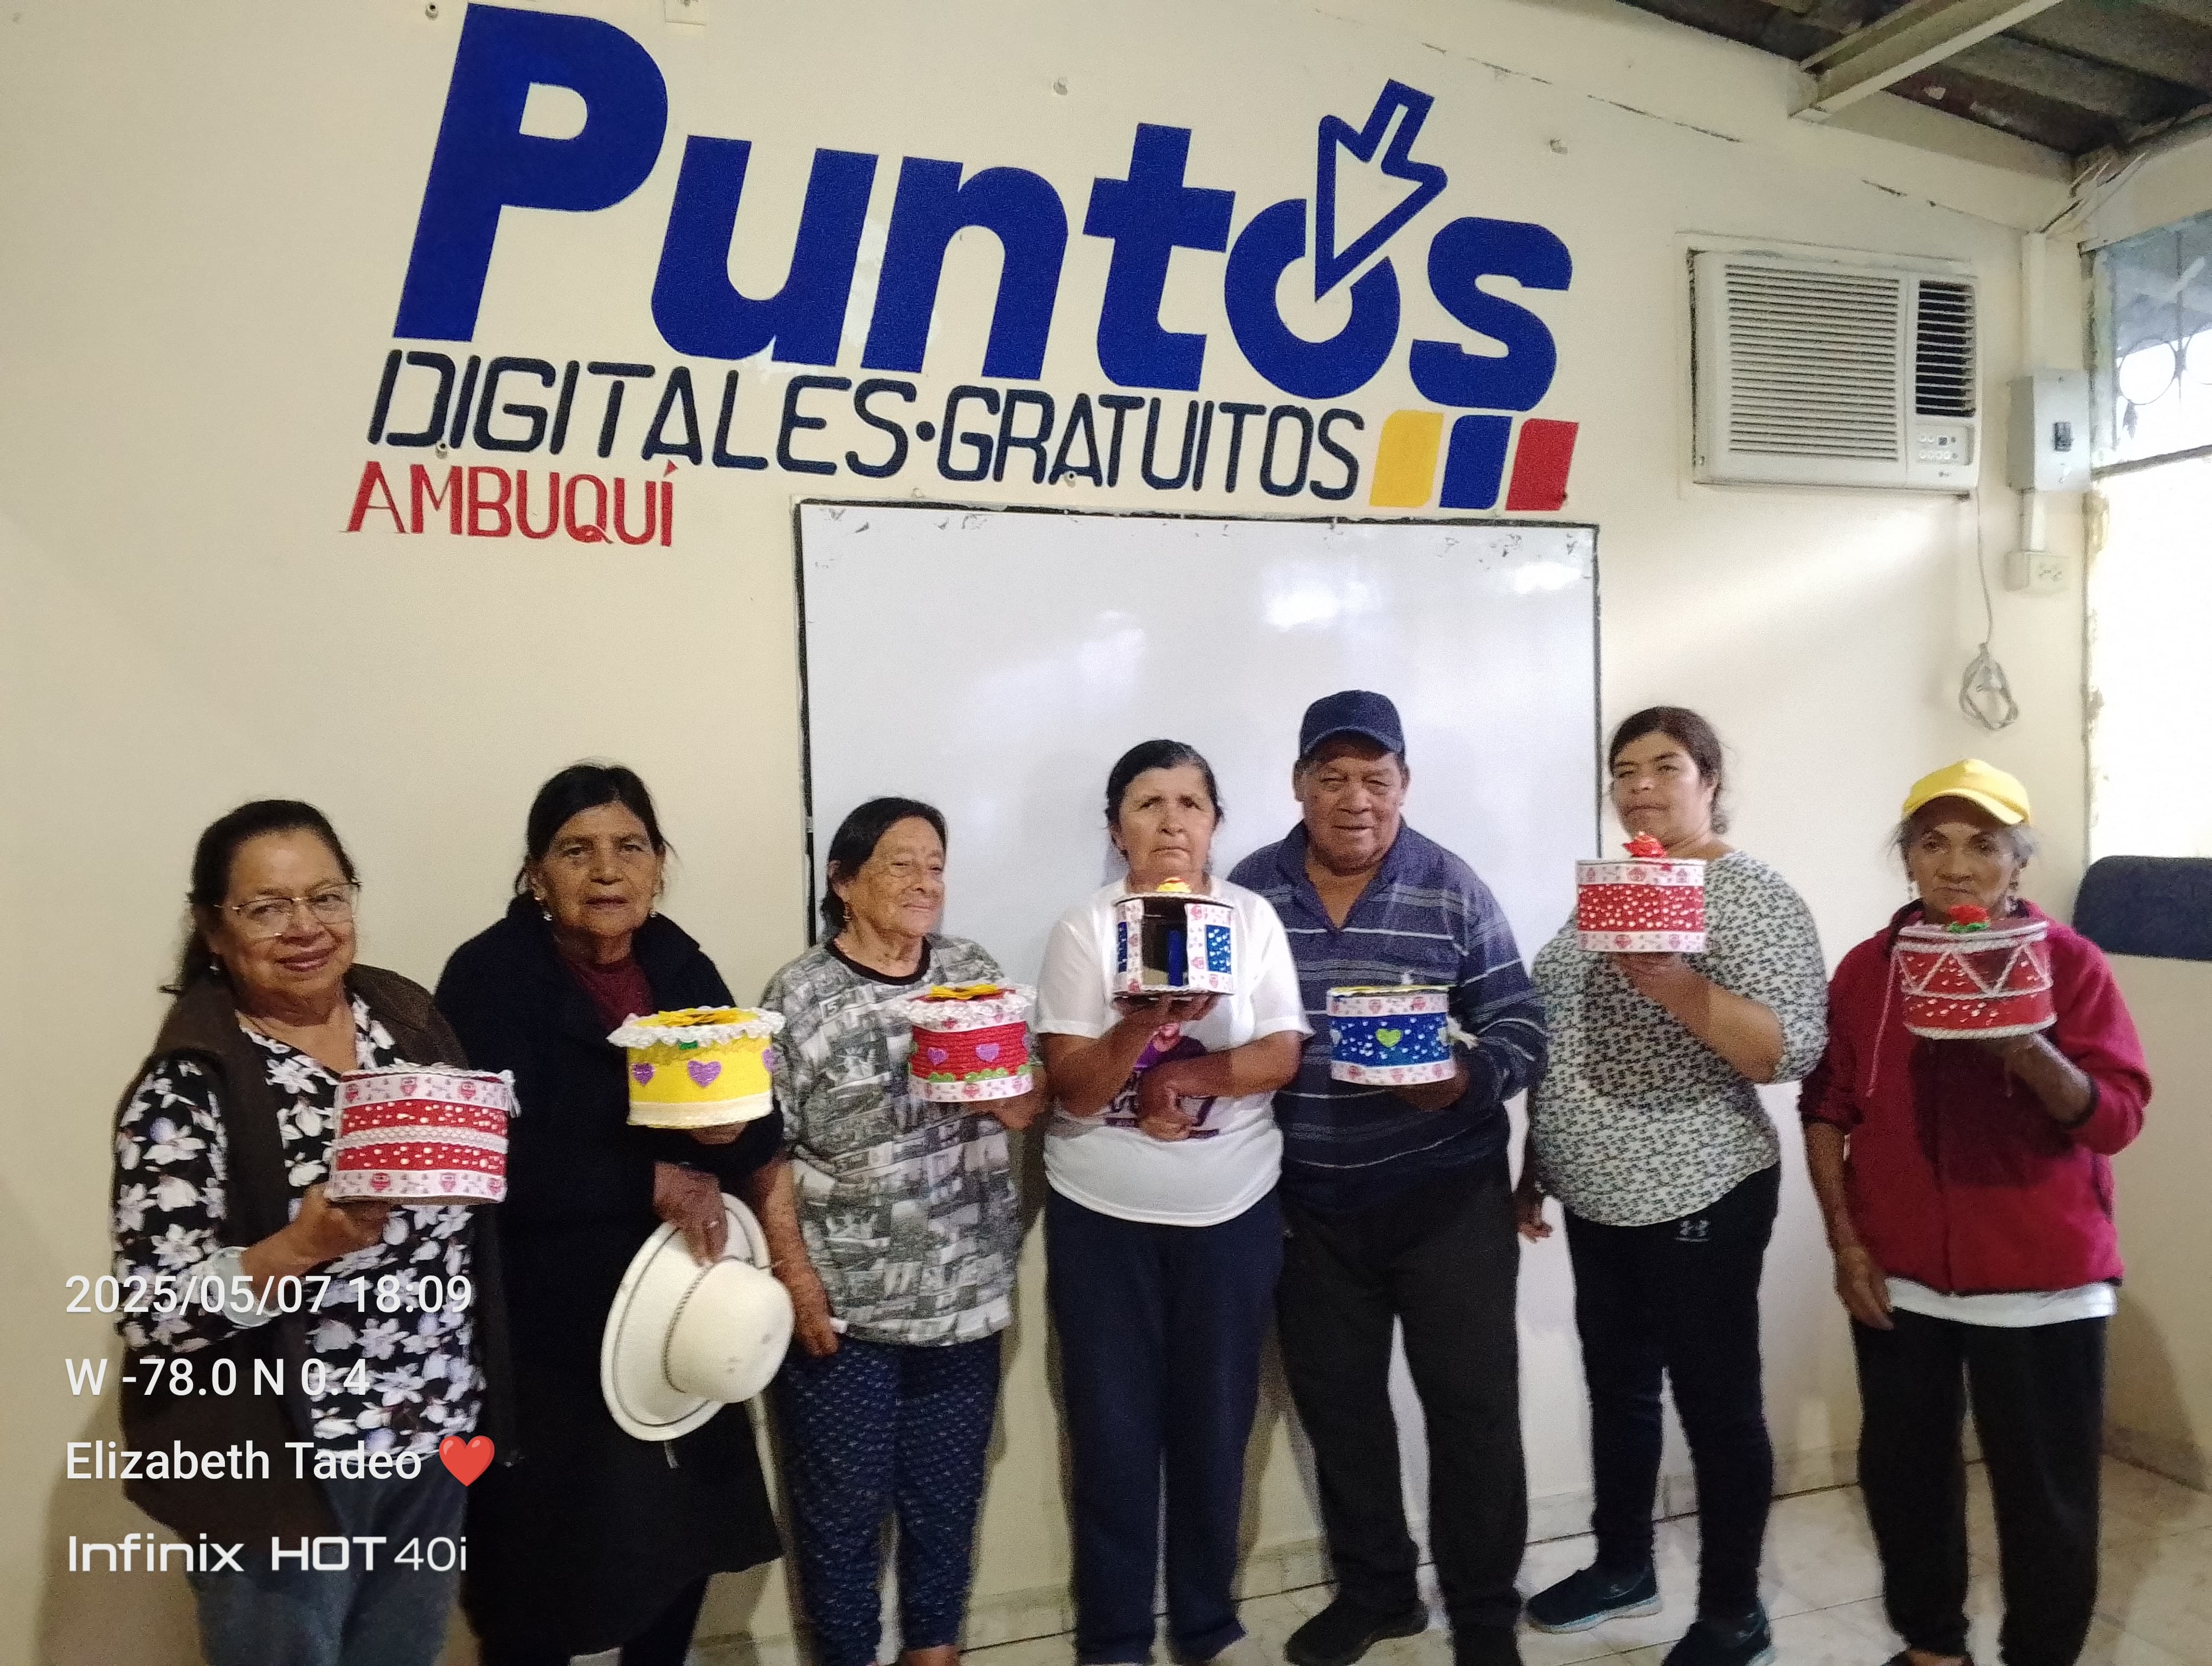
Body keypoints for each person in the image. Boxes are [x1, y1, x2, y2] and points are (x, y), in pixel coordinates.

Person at [110, 799, 511, 1666]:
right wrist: (299, 1249)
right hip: (286, 1460)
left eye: (327, 897)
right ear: (212, 930)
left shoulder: (402, 1019)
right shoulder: (189, 1083)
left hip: (434, 1429)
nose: (306, 927)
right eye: (266, 907)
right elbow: (153, 1309)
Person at [1799, 760, 2151, 1666]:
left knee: (2046, 1505)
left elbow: (2116, 1120)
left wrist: (2023, 1041)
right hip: (1902, 1280)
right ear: (1908, 859)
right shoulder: (1868, 970)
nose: (1956, 866)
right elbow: (1827, 1108)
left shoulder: (2069, 965)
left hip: (2043, 1284)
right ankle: (1932, 1650)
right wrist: (1847, 1245)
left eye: (1983, 845)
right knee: (1904, 1483)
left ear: (2018, 863)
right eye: (1933, 843)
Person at [435, 763, 783, 1666]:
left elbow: (755, 1119)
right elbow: (478, 1157)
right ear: (535, 874)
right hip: (547, 1319)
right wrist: (646, 1181)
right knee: (539, 1569)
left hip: (677, 1303)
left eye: (630, 847)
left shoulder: (679, 963)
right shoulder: (488, 976)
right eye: (575, 851)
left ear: (659, 865)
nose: (606, 871)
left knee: (679, 1538)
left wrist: (730, 1130)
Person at [1226, 690, 1546, 1666]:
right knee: (1343, 1413)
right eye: (1333, 778)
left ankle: (1483, 1612)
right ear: (1299, 785)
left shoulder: (1450, 886)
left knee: (1473, 1409)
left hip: (1446, 1196)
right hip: (1309, 1208)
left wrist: (1460, 1083)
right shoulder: (1250, 890)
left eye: (1376, 778)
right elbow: (1221, 1028)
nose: (1355, 799)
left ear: (1404, 784)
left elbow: (1520, 1022)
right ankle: (1379, 1593)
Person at [1515, 708, 1828, 1666]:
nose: (1640, 785)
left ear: (1709, 779)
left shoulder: (1748, 894)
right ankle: (1623, 1567)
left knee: (1717, 1406)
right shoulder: (1616, 890)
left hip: (1701, 1187)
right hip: (1596, 1194)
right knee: (1619, 1392)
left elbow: (1787, 1051)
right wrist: (1536, 1167)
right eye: (1625, 770)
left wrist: (1674, 984)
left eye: (1665, 766)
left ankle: (1735, 1612)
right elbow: (1567, 1032)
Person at [757, 797, 1048, 1666]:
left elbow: (1028, 1104)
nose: (926, 882)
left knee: (945, 1509)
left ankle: (934, 1655)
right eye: (901, 863)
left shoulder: (973, 974)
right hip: (844, 1312)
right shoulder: (799, 994)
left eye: (936, 865)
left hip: (964, 1300)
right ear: (844, 881)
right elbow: (764, 1155)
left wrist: (1006, 1089)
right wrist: (794, 1278)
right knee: (841, 1519)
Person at [1036, 739, 1308, 1666]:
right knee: (1110, 1432)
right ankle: (1114, 1635)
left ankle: (1205, 1622)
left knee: (1217, 1428)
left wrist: (1180, 1075)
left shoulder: (1251, 919)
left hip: (1232, 1213)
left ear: (1216, 823)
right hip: (1101, 1217)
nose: (1171, 822)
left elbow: (1280, 1054)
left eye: (1191, 803)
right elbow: (1075, 1091)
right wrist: (1146, 1021)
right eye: (1148, 804)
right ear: (1118, 829)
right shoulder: (1085, 928)